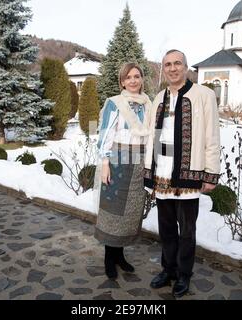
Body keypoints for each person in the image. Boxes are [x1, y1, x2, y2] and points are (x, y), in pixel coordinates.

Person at [144, 50, 220, 297]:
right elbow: (152, 138)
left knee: (187, 230)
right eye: (168, 64)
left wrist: (210, 174)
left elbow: (212, 136)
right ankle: (169, 270)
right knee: (165, 229)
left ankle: (184, 275)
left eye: (178, 63)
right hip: (163, 174)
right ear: (163, 69)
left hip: (188, 175)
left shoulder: (204, 95)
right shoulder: (158, 98)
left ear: (186, 67)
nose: (173, 68)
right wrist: (149, 171)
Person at [94, 62, 152, 280]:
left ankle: (120, 255)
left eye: (137, 76)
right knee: (113, 212)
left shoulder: (148, 103)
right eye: (128, 77)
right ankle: (109, 258)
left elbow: (151, 135)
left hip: (137, 163)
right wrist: (105, 163)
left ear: (142, 79)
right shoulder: (114, 103)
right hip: (117, 161)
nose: (133, 80)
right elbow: (105, 134)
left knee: (129, 213)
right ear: (122, 81)